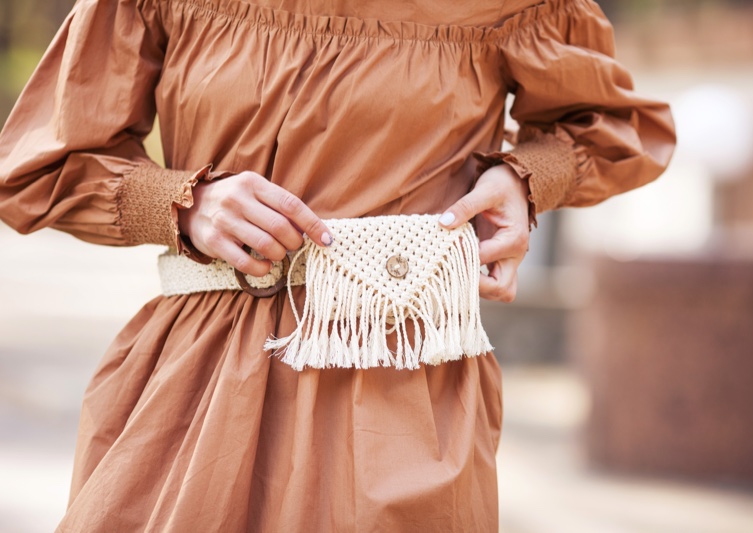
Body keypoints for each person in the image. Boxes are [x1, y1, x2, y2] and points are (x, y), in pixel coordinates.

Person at [0, 0, 675, 530]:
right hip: (199, 387)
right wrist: (183, 204)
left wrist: (524, 180)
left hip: (404, 387)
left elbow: (613, 126)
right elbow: (34, 165)